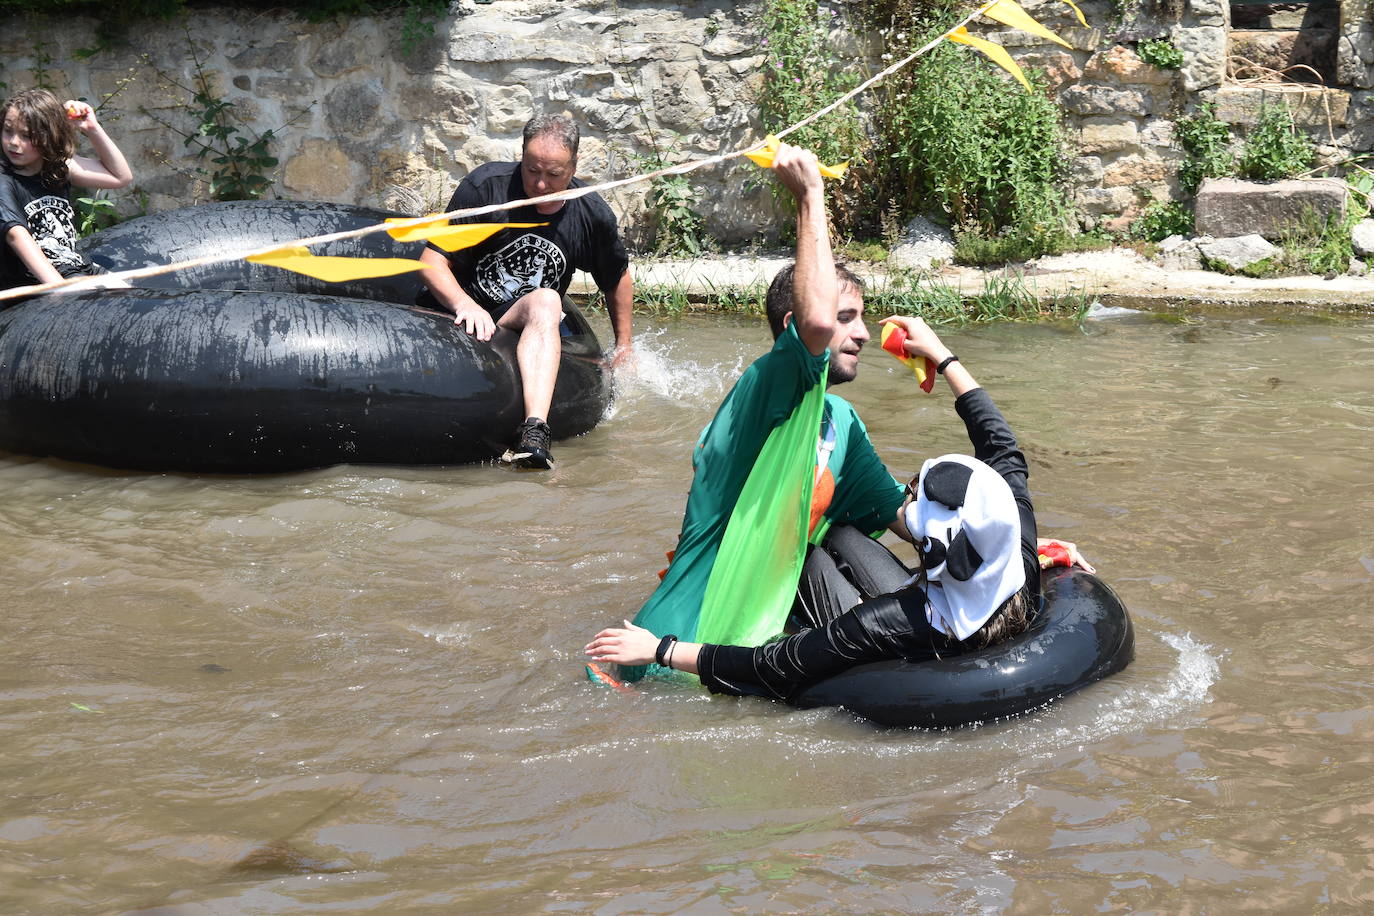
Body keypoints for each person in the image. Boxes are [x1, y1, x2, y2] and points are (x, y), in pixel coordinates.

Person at [585, 318, 1073, 702]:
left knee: (805, 556)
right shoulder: (1021, 554)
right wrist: (940, 356)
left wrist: (660, 650)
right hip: (969, 613)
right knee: (837, 533)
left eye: (914, 493)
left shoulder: (895, 620)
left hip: (921, 648)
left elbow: (777, 665)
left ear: (931, 545)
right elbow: (1001, 446)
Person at [417, 112, 634, 470]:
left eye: (554, 174)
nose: (542, 185)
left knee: (549, 301)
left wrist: (624, 345)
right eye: (533, 171)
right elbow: (431, 261)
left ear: (574, 166)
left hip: (519, 316)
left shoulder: (591, 215)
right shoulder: (486, 189)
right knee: (541, 302)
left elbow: (617, 278)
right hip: (463, 310)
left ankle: (534, 432)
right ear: (522, 156)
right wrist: (465, 303)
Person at [1, 89, 133, 292]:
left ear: (50, 136)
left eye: (26, 135)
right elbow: (16, 236)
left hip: (77, 268)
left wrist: (91, 128)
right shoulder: (4, 179)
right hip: (38, 282)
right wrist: (61, 289)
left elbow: (120, 177)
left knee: (138, 303)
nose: (14, 142)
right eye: (8, 130)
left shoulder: (56, 166)